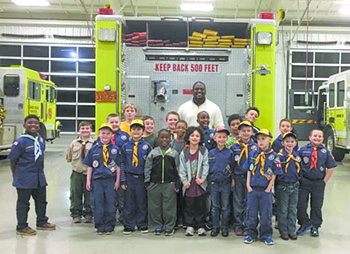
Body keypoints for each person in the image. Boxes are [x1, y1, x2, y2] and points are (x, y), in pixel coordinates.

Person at [8, 115, 56, 236]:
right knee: (23, 203)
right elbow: (13, 160)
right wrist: (15, 175)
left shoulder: (40, 139)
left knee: (41, 201)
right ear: (24, 125)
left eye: (36, 123)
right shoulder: (20, 141)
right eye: (30, 123)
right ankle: (22, 226)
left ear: (39, 126)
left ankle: (41, 221)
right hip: (25, 177)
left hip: (39, 176)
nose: (33, 125)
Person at [244, 129, 282, 245]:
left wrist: (269, 188)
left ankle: (266, 235)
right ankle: (251, 234)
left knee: (266, 214)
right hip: (253, 189)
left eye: (263, 139)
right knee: (251, 213)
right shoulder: (253, 153)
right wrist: (248, 185)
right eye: (259, 139)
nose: (260, 142)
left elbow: (275, 173)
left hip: (265, 190)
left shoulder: (274, 156)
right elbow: (250, 169)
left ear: (269, 139)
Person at [296, 129, 337, 237]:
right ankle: (304, 223)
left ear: (323, 139)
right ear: (309, 137)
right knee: (301, 204)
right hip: (304, 181)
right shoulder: (302, 150)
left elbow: (331, 167)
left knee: (317, 205)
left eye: (319, 136)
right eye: (315, 136)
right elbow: (297, 164)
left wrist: (324, 181)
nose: (317, 138)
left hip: (318, 182)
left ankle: (315, 226)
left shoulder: (325, 152)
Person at [84, 123, 120, 235]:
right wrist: (88, 180)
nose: (105, 135)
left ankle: (109, 225)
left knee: (110, 203)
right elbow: (90, 166)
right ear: (99, 134)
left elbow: (118, 166)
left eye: (108, 134)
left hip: (110, 180)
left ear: (111, 135)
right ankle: (100, 225)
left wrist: (117, 181)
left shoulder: (115, 149)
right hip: (97, 180)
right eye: (103, 133)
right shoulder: (94, 149)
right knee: (98, 203)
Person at [144, 129, 180, 236]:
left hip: (169, 184)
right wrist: (147, 182)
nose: (164, 139)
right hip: (154, 184)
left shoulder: (174, 153)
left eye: (167, 137)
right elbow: (147, 168)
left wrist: (177, 183)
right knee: (154, 207)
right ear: (158, 138)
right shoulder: (153, 153)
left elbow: (177, 169)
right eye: (162, 137)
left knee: (169, 207)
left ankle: (169, 227)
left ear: (170, 138)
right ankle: (157, 226)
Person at [120, 119, 152, 235]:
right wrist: (123, 180)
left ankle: (142, 224)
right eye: (134, 129)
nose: (136, 132)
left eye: (139, 129)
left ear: (143, 131)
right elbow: (122, 164)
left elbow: (150, 165)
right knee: (129, 202)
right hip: (129, 177)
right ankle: (129, 225)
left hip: (141, 177)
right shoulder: (125, 147)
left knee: (142, 202)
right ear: (130, 131)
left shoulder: (147, 146)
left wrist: (148, 180)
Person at [179, 126, 209, 237]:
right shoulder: (184, 152)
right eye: (192, 135)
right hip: (189, 184)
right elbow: (181, 168)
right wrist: (184, 181)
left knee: (200, 205)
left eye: (197, 136)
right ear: (188, 137)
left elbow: (206, 165)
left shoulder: (203, 150)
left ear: (200, 138)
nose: (195, 138)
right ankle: (190, 225)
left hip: (199, 184)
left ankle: (200, 226)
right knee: (189, 206)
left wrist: (203, 178)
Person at [231, 121, 258, 236]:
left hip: (251, 179)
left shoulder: (256, 147)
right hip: (238, 177)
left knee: (250, 202)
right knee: (238, 201)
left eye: (248, 130)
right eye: (243, 131)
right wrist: (232, 179)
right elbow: (231, 164)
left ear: (252, 132)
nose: (246, 133)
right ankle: (238, 224)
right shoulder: (234, 146)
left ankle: (249, 225)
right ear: (239, 132)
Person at [66, 121, 95, 223]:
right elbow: (69, 157)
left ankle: (88, 213)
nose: (85, 130)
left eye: (87, 128)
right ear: (79, 130)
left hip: (89, 173)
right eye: (83, 128)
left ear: (91, 130)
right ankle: (76, 214)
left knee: (89, 194)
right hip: (76, 172)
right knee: (75, 193)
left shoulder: (94, 143)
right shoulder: (74, 143)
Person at [208, 127, 234, 237]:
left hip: (226, 183)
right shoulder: (211, 153)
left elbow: (233, 167)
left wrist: (232, 180)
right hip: (214, 183)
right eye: (219, 137)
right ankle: (215, 227)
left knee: (225, 206)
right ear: (215, 138)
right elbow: (208, 168)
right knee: (215, 207)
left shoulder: (230, 153)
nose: (222, 139)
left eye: (224, 137)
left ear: (227, 139)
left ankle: (224, 227)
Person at [276, 132, 301, 240]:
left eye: (292, 142)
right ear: (282, 143)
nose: (289, 144)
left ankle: (292, 230)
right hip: (283, 187)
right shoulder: (279, 157)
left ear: (295, 143)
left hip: (294, 186)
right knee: (283, 210)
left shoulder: (297, 157)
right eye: (287, 141)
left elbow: (301, 171)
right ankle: (283, 230)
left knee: (292, 209)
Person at [106, 113, 129, 225]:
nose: (114, 124)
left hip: (121, 168)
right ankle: (110, 216)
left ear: (120, 123)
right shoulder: (104, 135)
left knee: (121, 194)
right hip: (107, 169)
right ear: (108, 123)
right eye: (112, 122)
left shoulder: (125, 136)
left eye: (116, 122)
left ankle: (123, 215)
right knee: (110, 193)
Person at [170, 120, 188, 228]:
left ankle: (185, 220)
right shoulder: (171, 143)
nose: (180, 130)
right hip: (174, 174)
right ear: (175, 129)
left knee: (185, 198)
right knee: (174, 199)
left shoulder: (188, 143)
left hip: (185, 175)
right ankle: (176, 220)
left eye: (183, 128)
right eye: (179, 127)